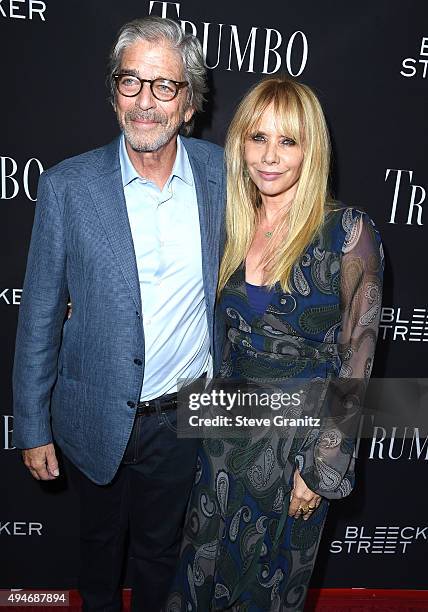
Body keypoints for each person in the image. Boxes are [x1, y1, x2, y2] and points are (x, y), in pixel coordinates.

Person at [12, 16, 225, 612]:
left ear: (189, 103)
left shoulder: (222, 174)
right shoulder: (66, 188)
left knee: (163, 554)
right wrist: (31, 426)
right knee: (99, 554)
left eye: (164, 86)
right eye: (131, 82)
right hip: (94, 411)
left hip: (183, 416)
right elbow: (40, 317)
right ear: (114, 94)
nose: (146, 102)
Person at [165, 77, 384, 611]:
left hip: (297, 449)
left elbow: (358, 355)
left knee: (268, 588)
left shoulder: (348, 233)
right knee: (200, 576)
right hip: (222, 438)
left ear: (312, 149)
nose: (269, 157)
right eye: (257, 138)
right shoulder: (228, 224)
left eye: (288, 141)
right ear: (239, 142)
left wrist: (322, 469)